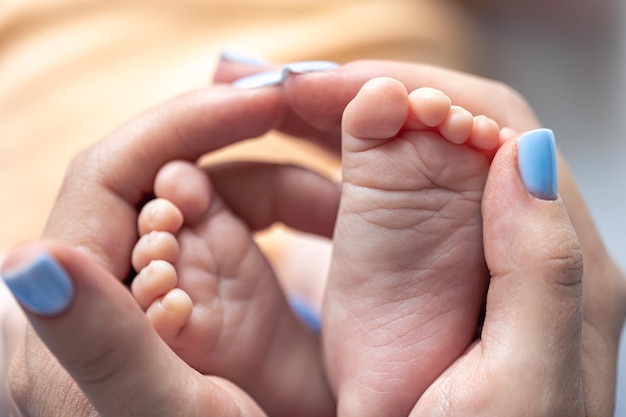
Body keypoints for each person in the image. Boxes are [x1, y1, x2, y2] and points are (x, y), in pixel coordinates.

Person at [2, 60, 625, 416]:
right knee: (324, 207)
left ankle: (314, 347)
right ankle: (324, 354)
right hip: (363, 71)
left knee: (54, 304)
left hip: (55, 98)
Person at [129, 78, 505, 417]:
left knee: (314, 240)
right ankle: (325, 367)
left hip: (208, 159)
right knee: (320, 238)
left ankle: (302, 374)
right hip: (310, 155)